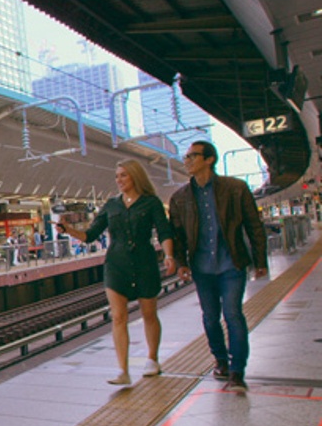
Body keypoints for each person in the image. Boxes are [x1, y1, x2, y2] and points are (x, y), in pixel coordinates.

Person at [60, 159, 176, 385]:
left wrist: (169, 255)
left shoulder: (151, 203)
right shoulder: (111, 205)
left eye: (123, 175)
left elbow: (164, 231)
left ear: (135, 176)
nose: (119, 180)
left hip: (145, 262)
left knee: (149, 313)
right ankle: (123, 370)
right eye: (117, 176)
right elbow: (91, 235)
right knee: (118, 317)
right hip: (116, 264)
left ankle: (152, 359)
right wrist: (69, 230)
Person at [168, 140, 268, 392]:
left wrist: (260, 260)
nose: (187, 160)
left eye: (192, 156)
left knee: (233, 314)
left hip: (231, 263)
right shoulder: (180, 197)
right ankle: (221, 360)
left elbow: (253, 225)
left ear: (209, 159)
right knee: (210, 318)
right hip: (201, 267)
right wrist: (180, 263)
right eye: (186, 156)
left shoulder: (235, 188)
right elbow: (177, 234)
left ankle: (237, 371)